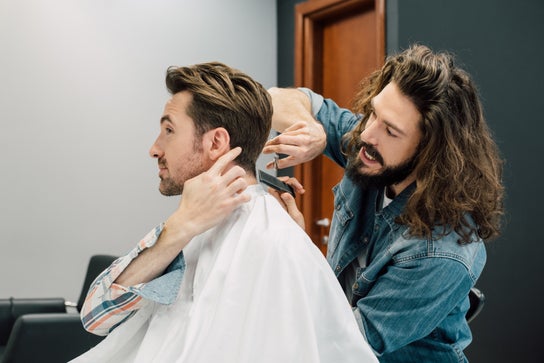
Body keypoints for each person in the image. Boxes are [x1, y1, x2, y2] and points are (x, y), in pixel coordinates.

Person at [70, 62, 377, 363]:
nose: (155, 148)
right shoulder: (189, 225)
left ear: (216, 142)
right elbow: (96, 315)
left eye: (169, 130)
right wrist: (179, 227)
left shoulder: (277, 242)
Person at [263, 44, 504, 362]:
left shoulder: (442, 252)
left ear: (431, 151)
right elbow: (277, 97)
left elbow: (345, 345)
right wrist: (313, 129)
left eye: (390, 130)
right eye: (374, 112)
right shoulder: (373, 145)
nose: (366, 134)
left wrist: (294, 246)